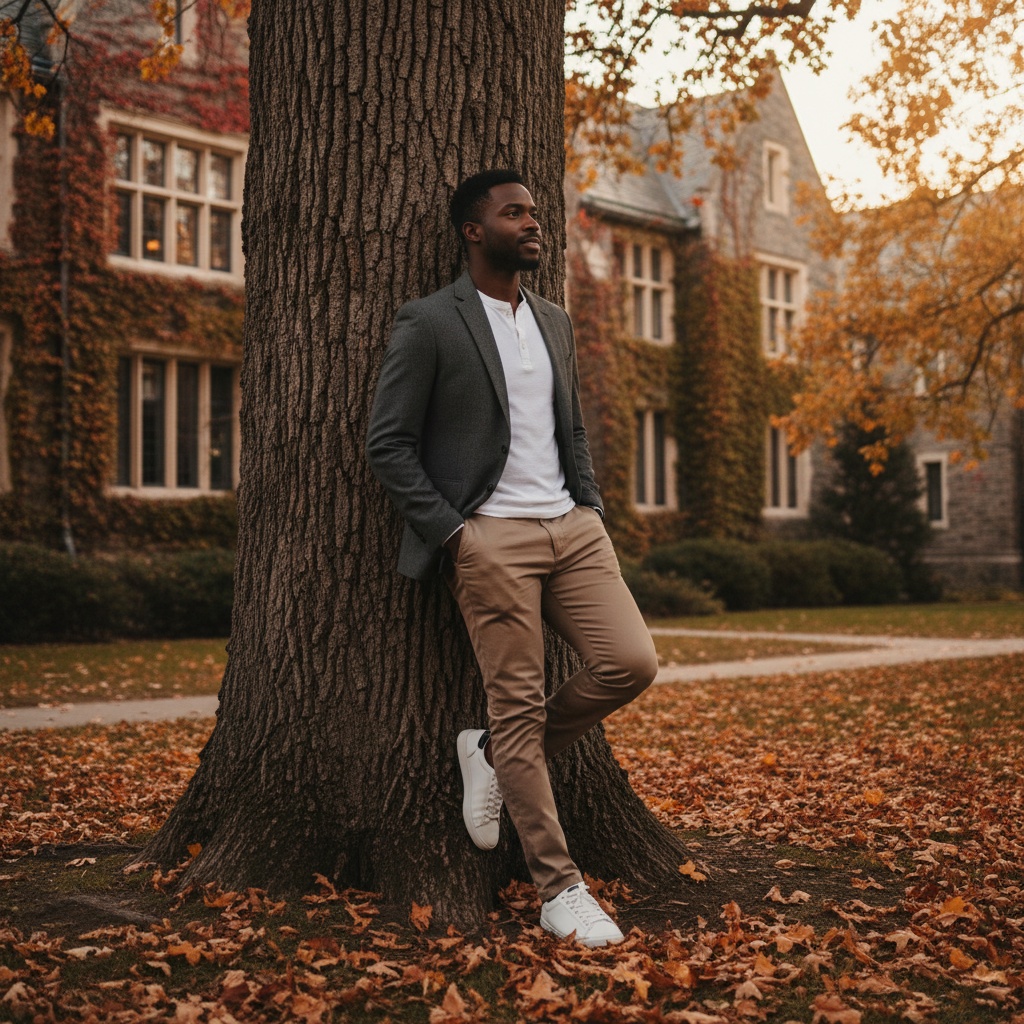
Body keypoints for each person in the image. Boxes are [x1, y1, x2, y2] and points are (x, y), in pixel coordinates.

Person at [366, 169, 658, 947]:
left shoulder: (555, 321)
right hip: (490, 538)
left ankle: (492, 755)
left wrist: (589, 504)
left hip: (572, 529)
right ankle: (560, 890)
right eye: (514, 213)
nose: (533, 224)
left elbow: (575, 429)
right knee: (519, 705)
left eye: (535, 213)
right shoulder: (430, 322)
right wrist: (459, 536)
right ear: (474, 230)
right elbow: (387, 444)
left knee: (631, 662)